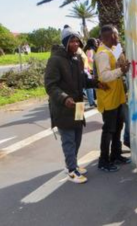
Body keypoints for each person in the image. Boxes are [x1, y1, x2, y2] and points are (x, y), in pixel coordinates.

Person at [45, 26, 106, 184]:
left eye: (77, 40)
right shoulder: (55, 60)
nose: (76, 43)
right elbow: (50, 85)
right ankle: (72, 170)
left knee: (78, 137)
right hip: (63, 107)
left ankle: (70, 164)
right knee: (69, 139)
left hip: (78, 106)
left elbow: (82, 80)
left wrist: (96, 83)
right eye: (72, 41)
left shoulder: (77, 59)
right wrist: (65, 98)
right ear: (65, 42)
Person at [95, 25, 131, 172]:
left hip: (118, 97)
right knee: (109, 129)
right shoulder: (102, 54)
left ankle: (116, 154)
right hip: (109, 98)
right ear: (110, 36)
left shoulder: (112, 50)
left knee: (118, 127)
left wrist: (122, 59)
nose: (118, 37)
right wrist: (120, 71)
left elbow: (121, 59)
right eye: (116, 35)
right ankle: (103, 160)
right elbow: (103, 76)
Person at [83, 38, 99, 107]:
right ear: (92, 43)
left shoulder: (86, 49)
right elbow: (89, 59)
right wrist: (96, 60)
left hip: (88, 68)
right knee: (92, 86)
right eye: (95, 42)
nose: (97, 43)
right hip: (90, 69)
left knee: (90, 87)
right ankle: (92, 102)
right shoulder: (90, 50)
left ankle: (91, 101)